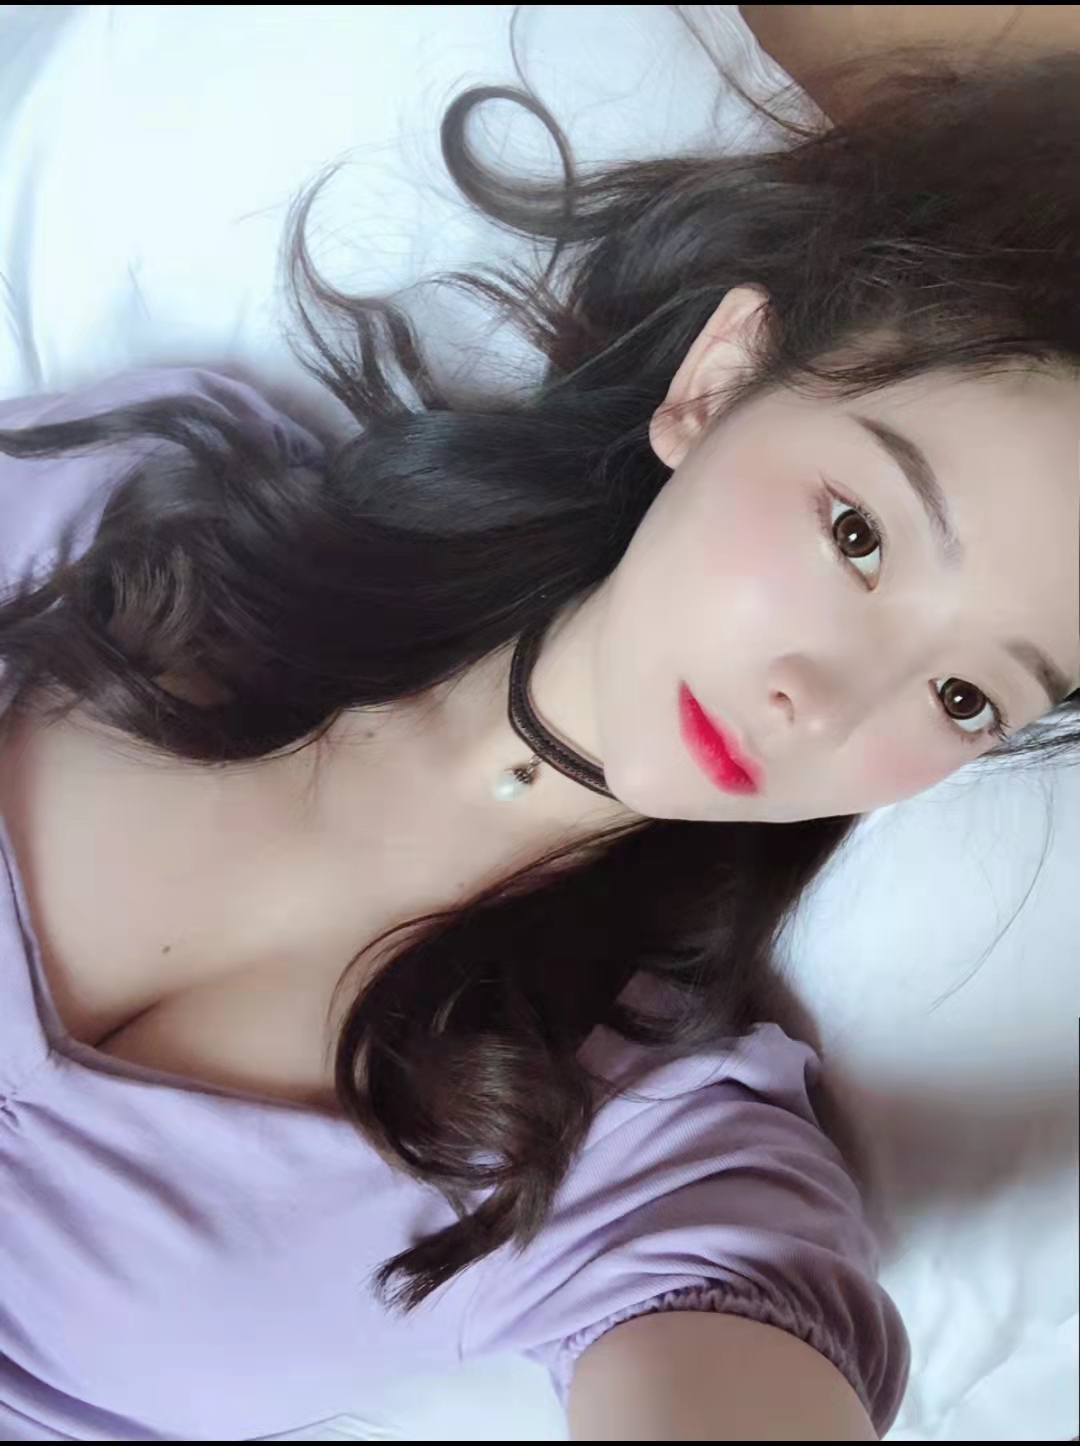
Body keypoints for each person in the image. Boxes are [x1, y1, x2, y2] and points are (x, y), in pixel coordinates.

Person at [0, 35, 1078, 1442]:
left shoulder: (652, 1156)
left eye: (965, 698)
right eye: (859, 535)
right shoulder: (120, 519)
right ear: (718, 380)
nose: (824, 701)